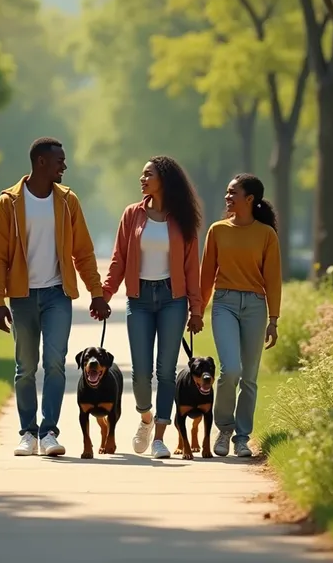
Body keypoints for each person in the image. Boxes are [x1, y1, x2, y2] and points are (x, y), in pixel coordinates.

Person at [0, 137, 110, 457]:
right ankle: (28, 432)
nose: (64, 166)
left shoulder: (68, 201)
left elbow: (83, 252)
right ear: (42, 162)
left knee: (55, 363)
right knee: (25, 367)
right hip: (22, 296)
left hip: (58, 294)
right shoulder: (9, 202)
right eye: (60, 161)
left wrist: (96, 293)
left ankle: (49, 432)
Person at [103, 156, 203, 459]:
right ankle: (145, 418)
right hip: (140, 298)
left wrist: (196, 310)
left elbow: (191, 268)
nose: (142, 179)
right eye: (142, 175)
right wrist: (104, 294)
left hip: (173, 299)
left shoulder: (182, 218)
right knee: (141, 372)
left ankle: (160, 434)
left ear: (164, 179)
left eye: (148, 174)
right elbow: (119, 257)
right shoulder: (132, 214)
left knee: (167, 371)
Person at [199, 173, 282, 458]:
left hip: (256, 307)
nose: (227, 196)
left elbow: (272, 279)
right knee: (230, 369)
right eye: (227, 191)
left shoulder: (266, 235)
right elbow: (206, 274)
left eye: (233, 192)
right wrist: (197, 311)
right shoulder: (217, 230)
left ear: (250, 199)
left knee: (249, 377)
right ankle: (224, 428)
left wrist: (274, 319)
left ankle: (242, 438)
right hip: (224, 303)